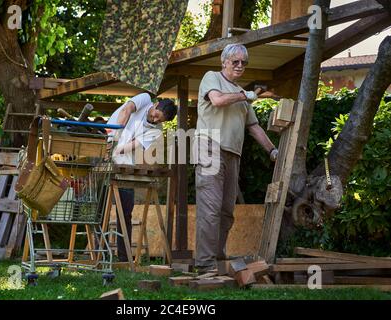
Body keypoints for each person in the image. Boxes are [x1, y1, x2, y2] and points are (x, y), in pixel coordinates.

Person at [194, 43, 278, 273]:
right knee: (210, 207)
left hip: (233, 154)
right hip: (209, 147)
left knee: (226, 211)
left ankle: (217, 257)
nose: (240, 66)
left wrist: (273, 151)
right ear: (224, 62)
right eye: (235, 62)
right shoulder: (212, 77)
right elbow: (218, 100)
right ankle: (204, 263)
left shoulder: (241, 94)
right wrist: (246, 95)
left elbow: (254, 127)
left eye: (244, 62)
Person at [106, 93, 177, 262]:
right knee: (100, 207)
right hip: (106, 137)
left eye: (159, 120)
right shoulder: (144, 98)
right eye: (155, 114)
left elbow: (133, 146)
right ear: (156, 104)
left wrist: (115, 149)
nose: (154, 119)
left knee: (125, 210)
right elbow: (126, 109)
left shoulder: (156, 131)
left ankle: (124, 258)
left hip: (123, 160)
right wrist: (114, 136)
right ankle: (99, 253)